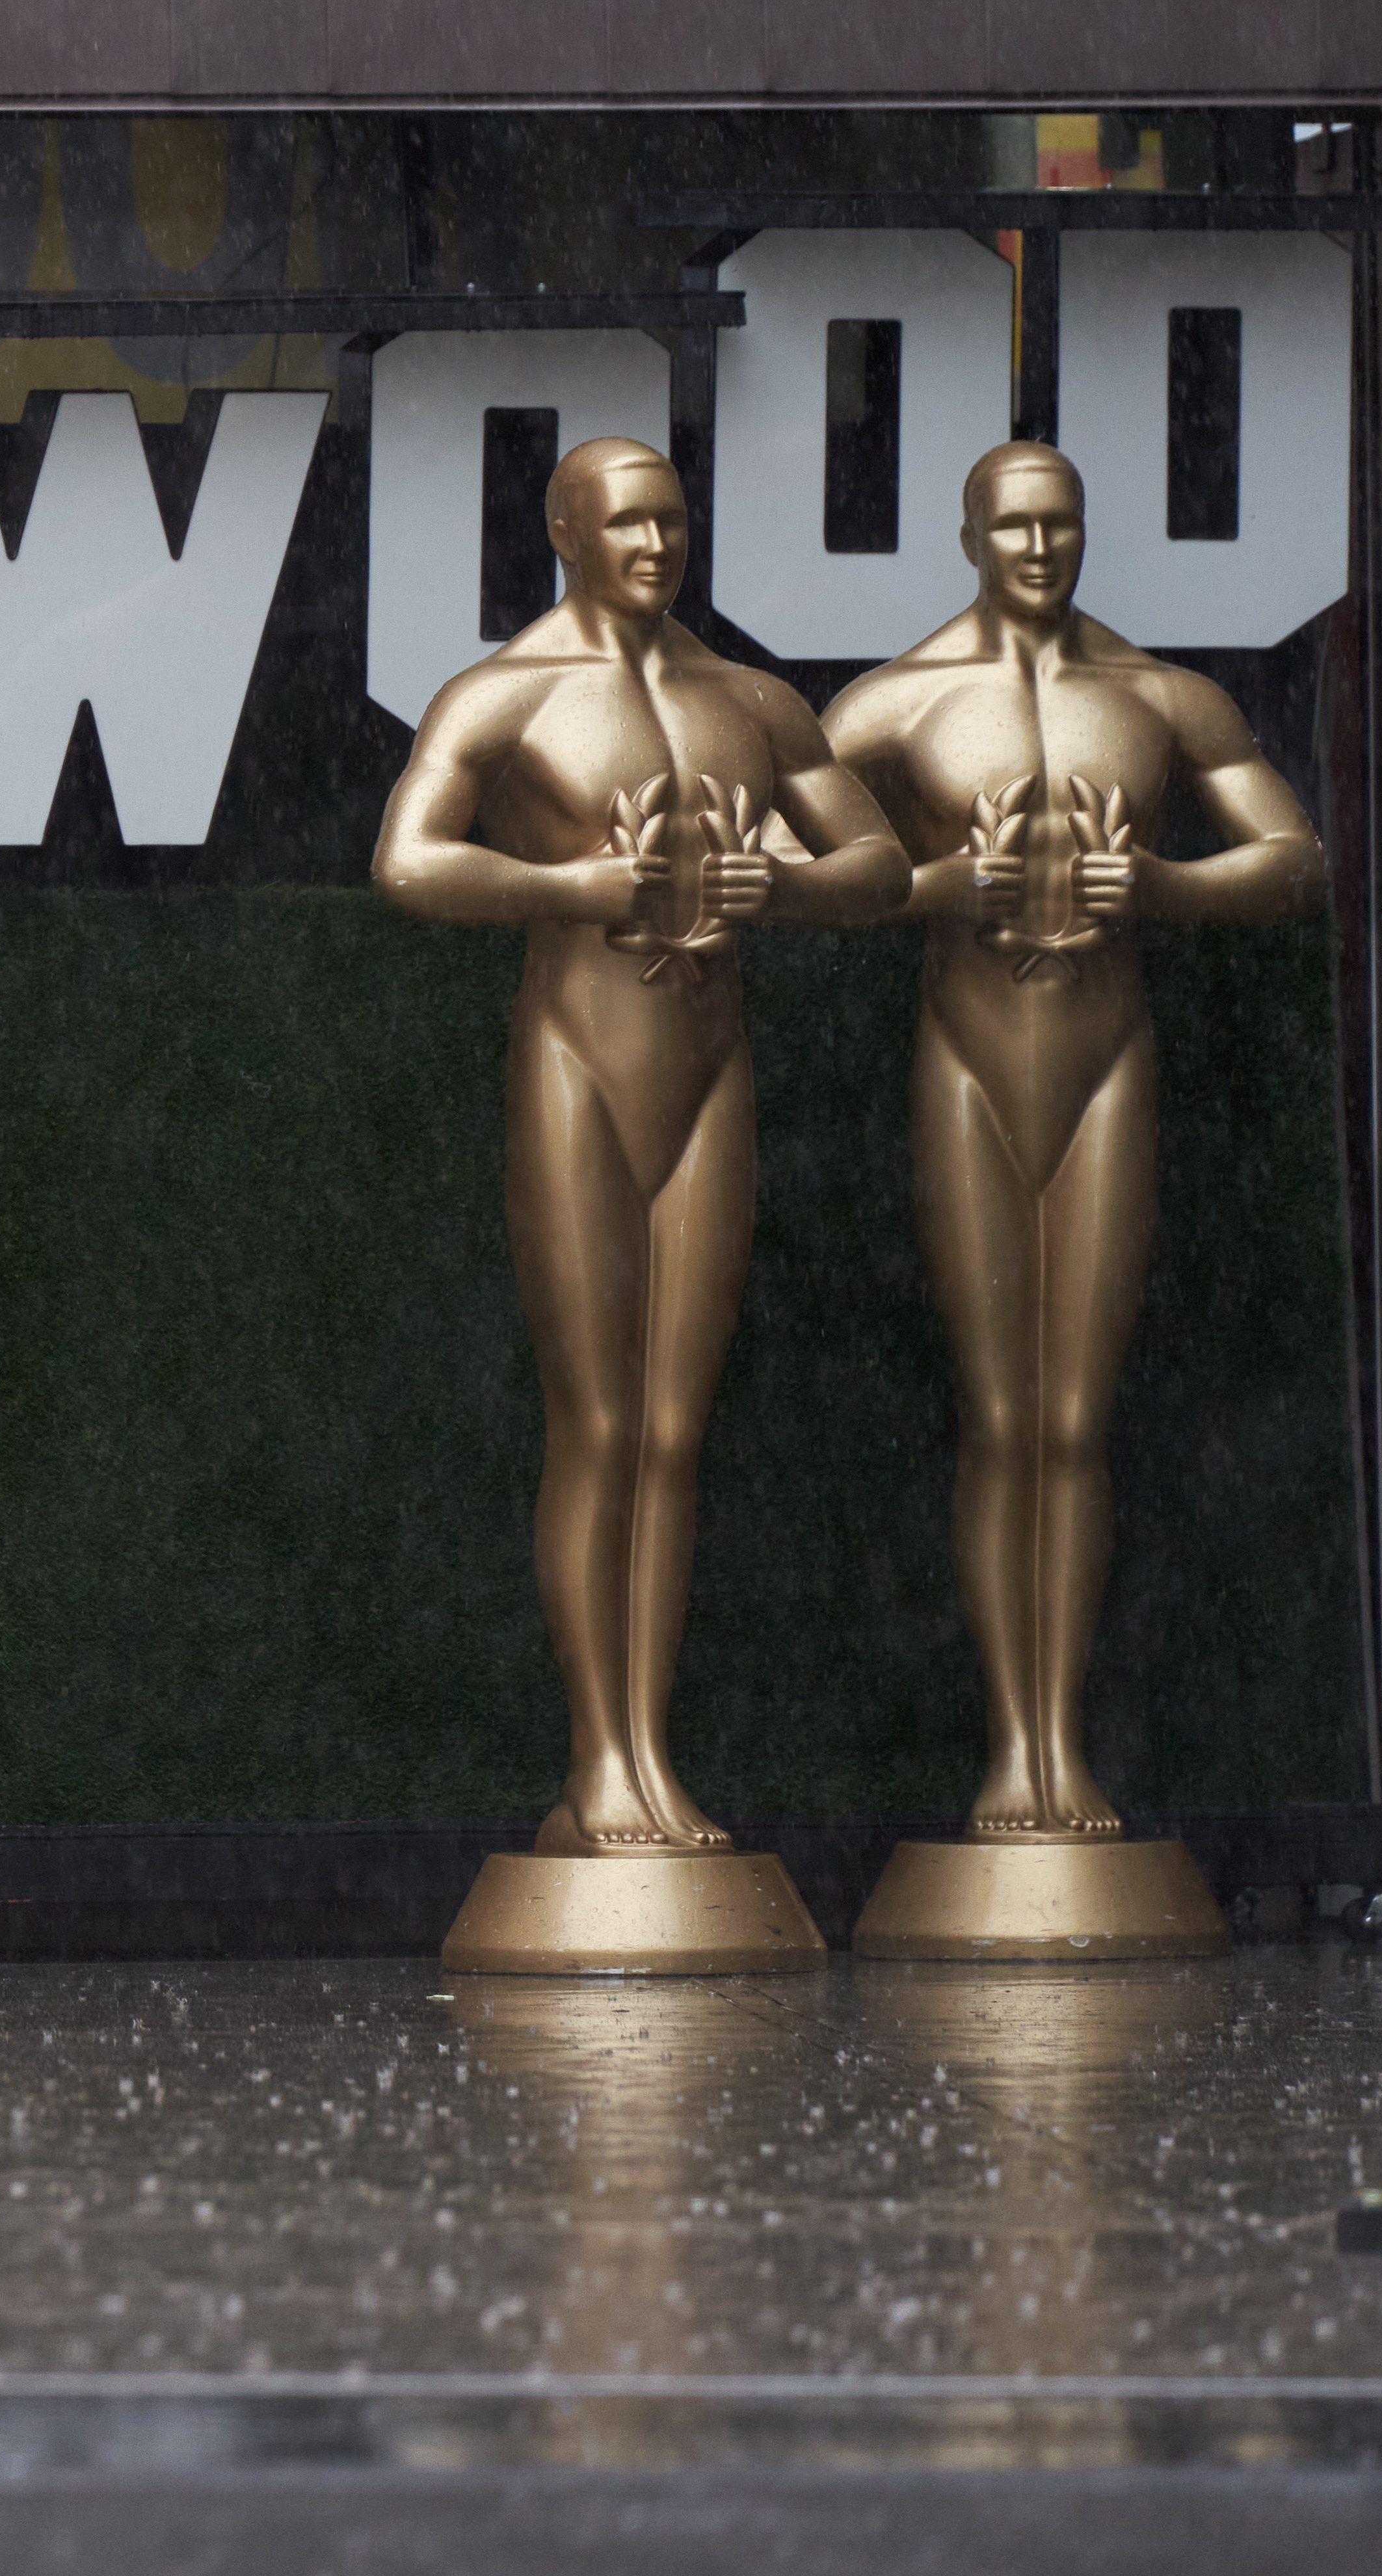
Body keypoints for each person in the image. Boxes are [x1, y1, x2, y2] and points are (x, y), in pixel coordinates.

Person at [370, 438, 903, 1860]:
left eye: (671, 518)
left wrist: (781, 885)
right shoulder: (504, 694)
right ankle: (595, 1758)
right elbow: (407, 861)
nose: (655, 544)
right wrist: (570, 882)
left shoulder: (747, 699)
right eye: (624, 521)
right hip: (577, 1062)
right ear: (561, 531)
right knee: (596, 1422)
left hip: (709, 1064)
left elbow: (880, 869)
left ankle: (650, 1755)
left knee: (671, 1430)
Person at [826, 443, 1324, 1839]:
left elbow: (1292, 859)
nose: (1039, 549)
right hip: (968, 1059)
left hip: (1104, 1058)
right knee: (998, 1417)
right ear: (968, 533)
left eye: (1062, 525)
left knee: (1070, 1419)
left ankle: (1060, 1745)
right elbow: (783, 875)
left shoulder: (1156, 697)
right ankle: (1008, 1750)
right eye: (1014, 525)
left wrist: (1159, 880)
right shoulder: (891, 704)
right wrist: (933, 879)